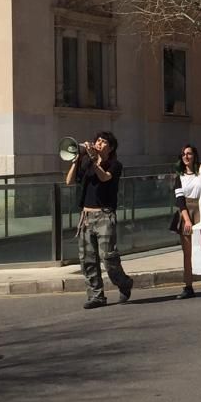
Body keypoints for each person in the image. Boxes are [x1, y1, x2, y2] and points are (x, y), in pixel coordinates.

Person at [65, 131, 134, 309]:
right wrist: (76, 160)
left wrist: (95, 160)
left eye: (103, 142)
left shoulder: (115, 165)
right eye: (97, 141)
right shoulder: (86, 163)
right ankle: (96, 296)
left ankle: (124, 282)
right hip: (86, 217)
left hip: (104, 215)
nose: (98, 143)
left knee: (108, 258)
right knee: (87, 259)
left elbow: (104, 177)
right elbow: (69, 181)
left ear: (110, 148)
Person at [172, 145, 201, 299]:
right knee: (188, 253)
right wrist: (187, 220)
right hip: (186, 211)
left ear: (194, 156)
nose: (186, 156)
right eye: (183, 154)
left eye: (189, 154)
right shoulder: (179, 177)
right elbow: (180, 201)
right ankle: (188, 285)